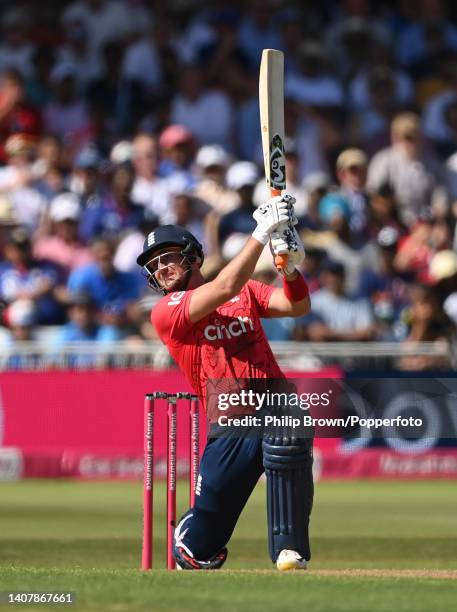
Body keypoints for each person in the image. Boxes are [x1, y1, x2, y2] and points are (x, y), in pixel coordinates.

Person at [137, 194, 313, 571]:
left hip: (273, 403)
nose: (162, 268)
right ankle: (192, 539)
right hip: (229, 422)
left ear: (193, 257)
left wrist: (291, 271)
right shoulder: (167, 312)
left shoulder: (246, 291)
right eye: (155, 264)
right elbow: (222, 289)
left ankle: (289, 551)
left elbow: (295, 306)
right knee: (201, 546)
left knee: (290, 431)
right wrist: (261, 232)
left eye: (168, 257)